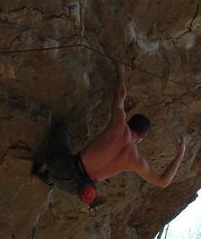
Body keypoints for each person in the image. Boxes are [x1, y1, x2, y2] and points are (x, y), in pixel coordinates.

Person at [33, 63, 188, 205]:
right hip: (79, 189)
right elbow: (163, 182)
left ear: (129, 121)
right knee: (68, 166)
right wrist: (179, 155)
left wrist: (120, 72)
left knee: (63, 125)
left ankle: (43, 168)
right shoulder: (136, 161)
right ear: (142, 137)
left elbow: (120, 95)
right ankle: (49, 177)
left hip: (64, 168)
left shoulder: (120, 124)